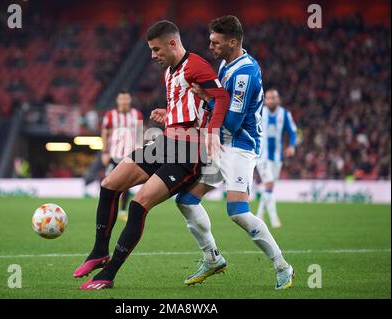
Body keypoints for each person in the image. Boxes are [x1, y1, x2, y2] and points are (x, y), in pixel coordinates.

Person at [73, 20, 230, 290]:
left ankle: (108, 274)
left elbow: (222, 98)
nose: (153, 56)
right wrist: (168, 115)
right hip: (167, 141)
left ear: (172, 43)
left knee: (138, 204)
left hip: (188, 152)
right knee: (109, 184)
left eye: (156, 50)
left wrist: (213, 131)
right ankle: (99, 252)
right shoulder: (170, 72)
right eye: (150, 50)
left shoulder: (197, 65)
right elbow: (191, 108)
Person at [167, 16, 294, 289]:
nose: (210, 46)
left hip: (239, 146)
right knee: (186, 200)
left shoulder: (244, 73)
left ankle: (282, 265)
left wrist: (206, 98)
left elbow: (233, 122)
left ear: (233, 42)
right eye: (210, 41)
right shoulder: (227, 63)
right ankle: (212, 258)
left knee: (237, 211)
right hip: (219, 143)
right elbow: (218, 107)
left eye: (215, 42)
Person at [256, 89, 297, 228]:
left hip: (277, 158)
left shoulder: (285, 114)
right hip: (262, 157)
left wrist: (291, 145)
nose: (270, 100)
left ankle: (259, 214)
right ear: (265, 100)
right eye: (268, 98)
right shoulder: (260, 112)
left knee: (269, 188)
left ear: (278, 99)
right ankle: (274, 219)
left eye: (273, 98)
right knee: (269, 184)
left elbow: (292, 132)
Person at [100, 90, 144, 222]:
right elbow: (105, 133)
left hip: (130, 155)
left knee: (126, 184)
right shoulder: (110, 115)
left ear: (129, 100)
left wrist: (140, 150)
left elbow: (139, 134)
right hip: (114, 155)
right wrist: (104, 152)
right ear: (117, 100)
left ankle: (123, 210)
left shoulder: (137, 114)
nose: (124, 102)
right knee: (109, 182)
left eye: (126, 99)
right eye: (122, 99)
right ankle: (108, 209)